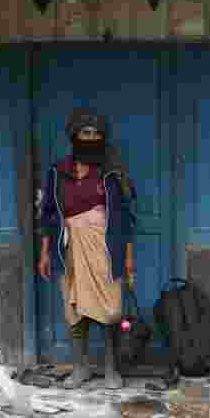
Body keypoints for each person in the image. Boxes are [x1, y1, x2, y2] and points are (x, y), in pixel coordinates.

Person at [37, 109, 136, 390]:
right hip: (67, 248)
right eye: (85, 133)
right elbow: (47, 215)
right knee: (74, 307)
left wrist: (128, 261)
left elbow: (126, 217)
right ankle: (80, 368)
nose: (91, 138)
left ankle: (110, 369)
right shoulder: (58, 172)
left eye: (96, 134)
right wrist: (45, 252)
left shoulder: (111, 173)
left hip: (104, 247)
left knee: (110, 308)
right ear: (74, 136)